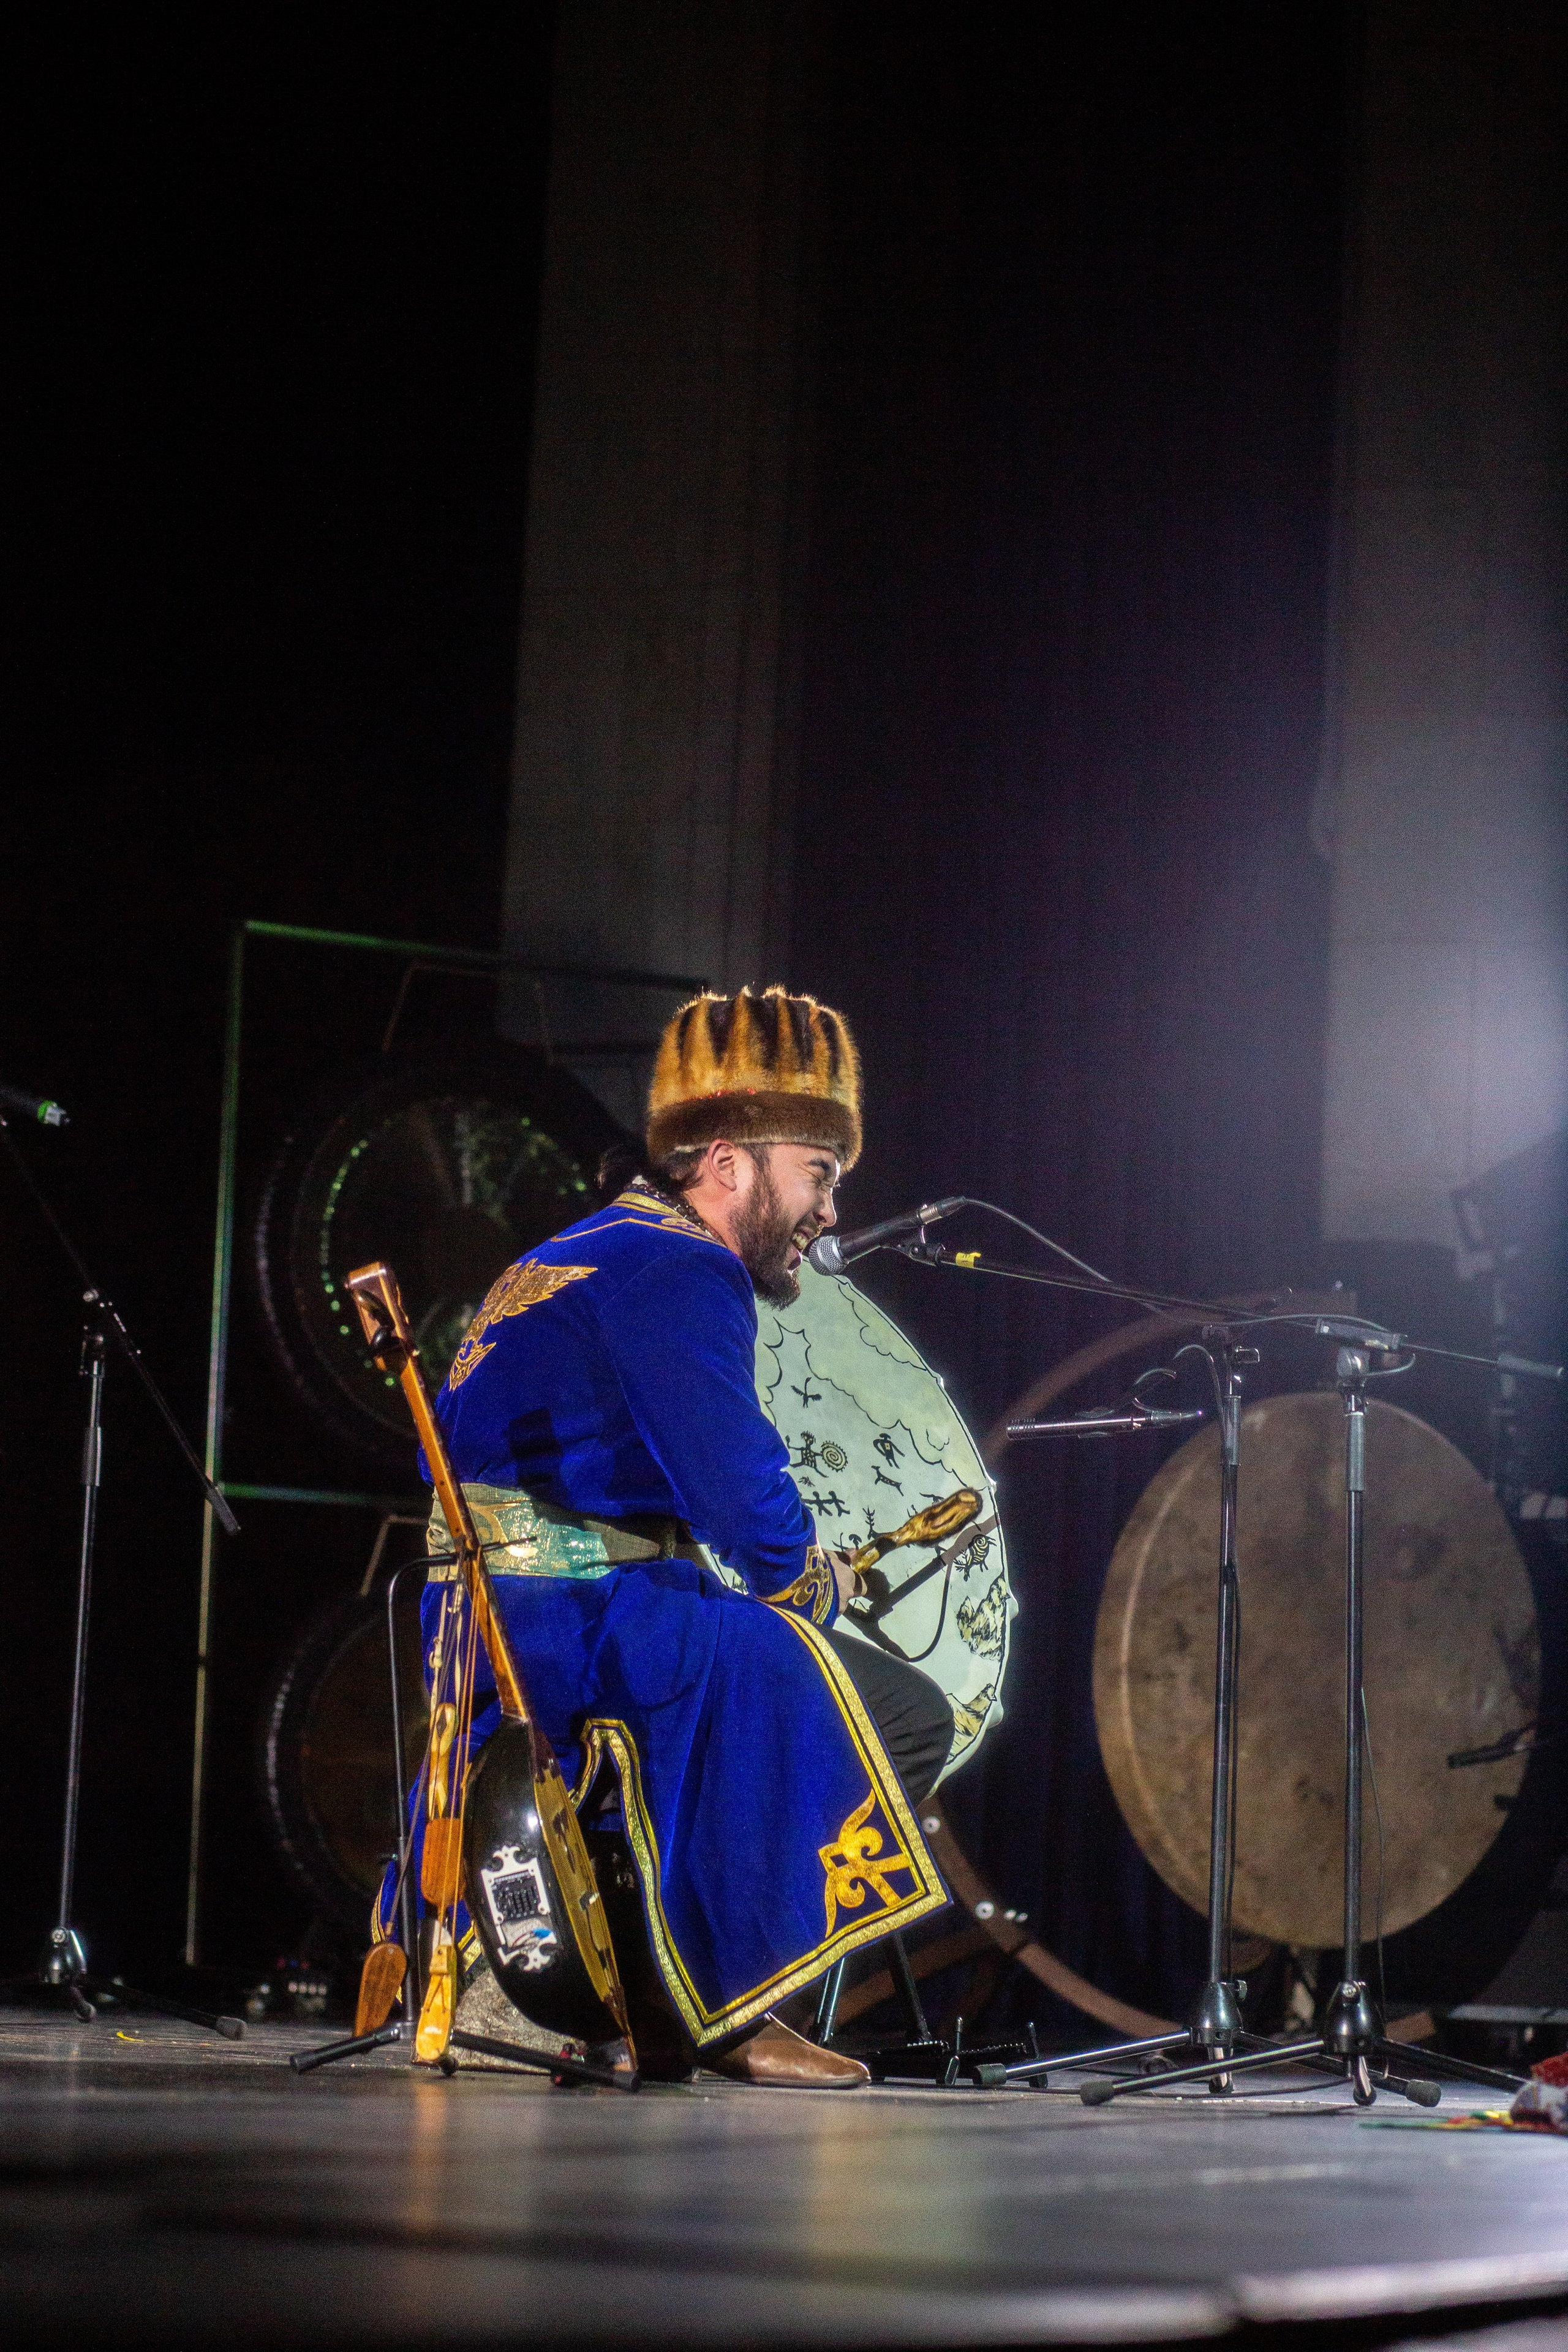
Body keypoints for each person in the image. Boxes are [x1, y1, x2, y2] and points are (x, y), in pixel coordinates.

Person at [377, 986, 954, 2086]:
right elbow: (740, 1488)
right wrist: (807, 1579)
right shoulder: (685, 1268)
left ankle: (625, 1993)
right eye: (820, 1175)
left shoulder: (571, 1252)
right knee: (903, 1712)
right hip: (587, 1624)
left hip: (491, 1620)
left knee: (767, 1661)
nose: (829, 1211)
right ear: (730, 1164)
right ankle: (733, 2006)